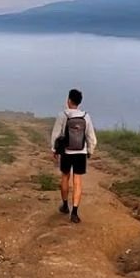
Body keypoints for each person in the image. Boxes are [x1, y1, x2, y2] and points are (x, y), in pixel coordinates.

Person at [50, 88, 97, 224]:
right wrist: (90, 150)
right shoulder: (85, 116)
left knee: (65, 177)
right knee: (77, 181)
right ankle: (75, 213)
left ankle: (65, 206)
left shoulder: (63, 115)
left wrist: (54, 149)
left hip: (66, 152)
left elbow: (56, 134)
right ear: (79, 102)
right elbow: (91, 137)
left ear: (69, 100)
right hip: (80, 152)